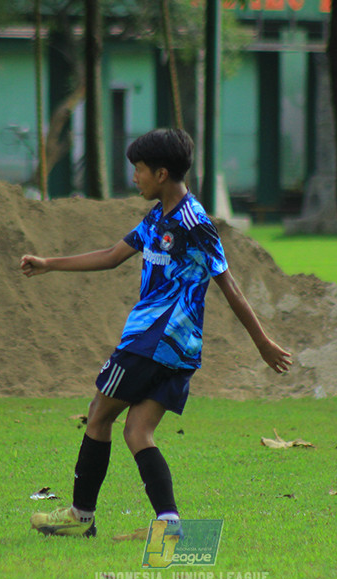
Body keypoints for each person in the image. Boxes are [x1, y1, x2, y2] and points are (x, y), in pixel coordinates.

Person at [21, 127, 292, 537]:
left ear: (162, 173)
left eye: (140, 169)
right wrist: (49, 263)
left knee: (98, 416)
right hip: (180, 350)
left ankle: (80, 517)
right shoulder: (157, 217)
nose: (135, 177)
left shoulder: (193, 223)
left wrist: (262, 342)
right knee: (137, 431)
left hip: (152, 339)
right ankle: (169, 523)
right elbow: (113, 256)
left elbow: (228, 284)